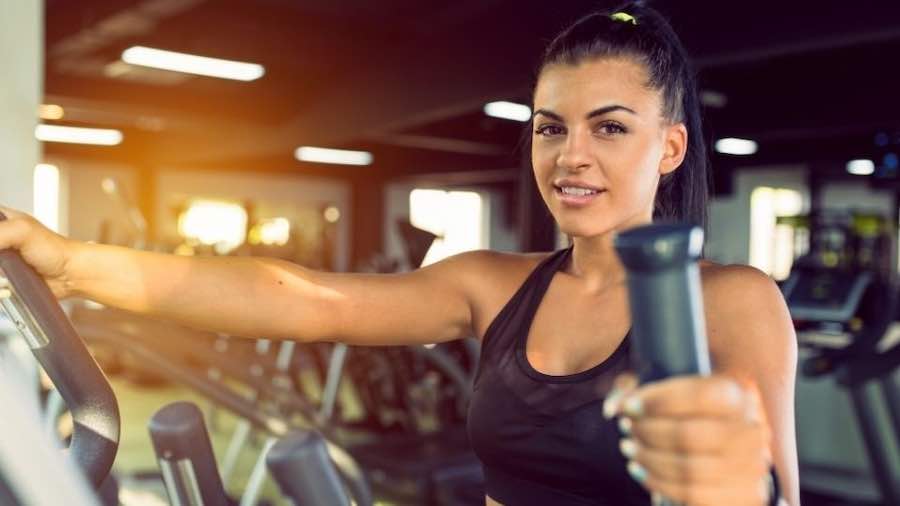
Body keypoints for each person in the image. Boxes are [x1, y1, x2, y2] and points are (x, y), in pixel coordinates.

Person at [0, 3, 797, 505]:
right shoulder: (492, 284)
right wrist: (69, 264)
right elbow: (297, 299)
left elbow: (774, 495)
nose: (570, 156)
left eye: (610, 127)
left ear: (671, 147)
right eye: (551, 127)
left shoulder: (734, 299)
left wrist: (732, 488)